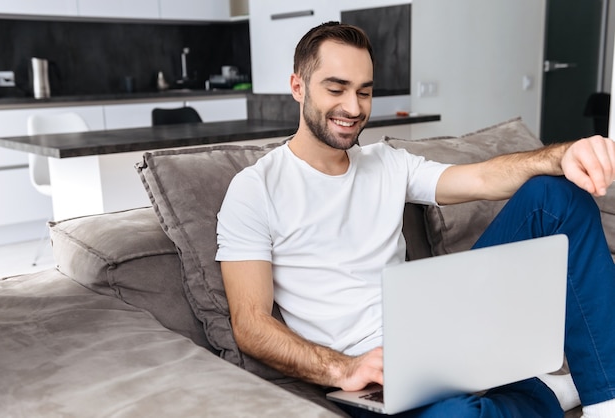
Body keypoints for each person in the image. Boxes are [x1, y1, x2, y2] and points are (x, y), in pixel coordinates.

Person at [216, 21, 615, 417]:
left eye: (364, 92)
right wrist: (343, 367)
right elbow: (250, 323)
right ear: (298, 86)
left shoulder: (387, 162)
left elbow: (482, 177)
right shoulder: (256, 188)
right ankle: (544, 395)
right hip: (377, 374)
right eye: (335, 89)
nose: (353, 108)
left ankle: (604, 401)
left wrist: (560, 156)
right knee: (459, 415)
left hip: (444, 333)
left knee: (555, 192)